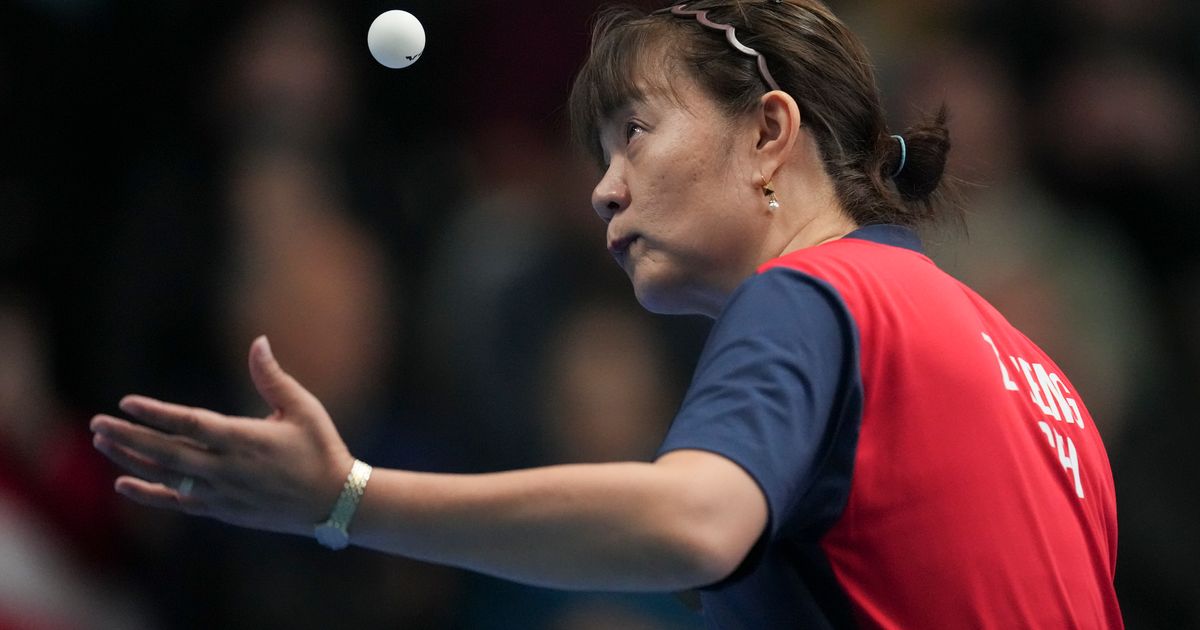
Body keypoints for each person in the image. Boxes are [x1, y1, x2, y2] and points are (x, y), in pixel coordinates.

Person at [89, 1, 1123, 627]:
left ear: (770, 132)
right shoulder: (1039, 376)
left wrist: (346, 498)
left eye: (636, 132)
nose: (604, 188)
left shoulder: (813, 297)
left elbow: (691, 523)